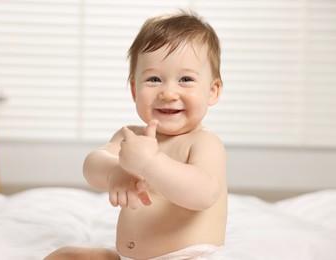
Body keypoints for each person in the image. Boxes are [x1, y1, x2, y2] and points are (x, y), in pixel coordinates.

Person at [45, 9, 227, 260]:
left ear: (212, 91)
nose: (169, 93)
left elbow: (203, 194)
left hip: (189, 256)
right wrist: (115, 171)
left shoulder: (204, 142)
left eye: (185, 79)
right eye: (154, 79)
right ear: (134, 89)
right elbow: (91, 165)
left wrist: (150, 163)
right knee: (65, 256)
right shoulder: (130, 136)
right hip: (129, 256)